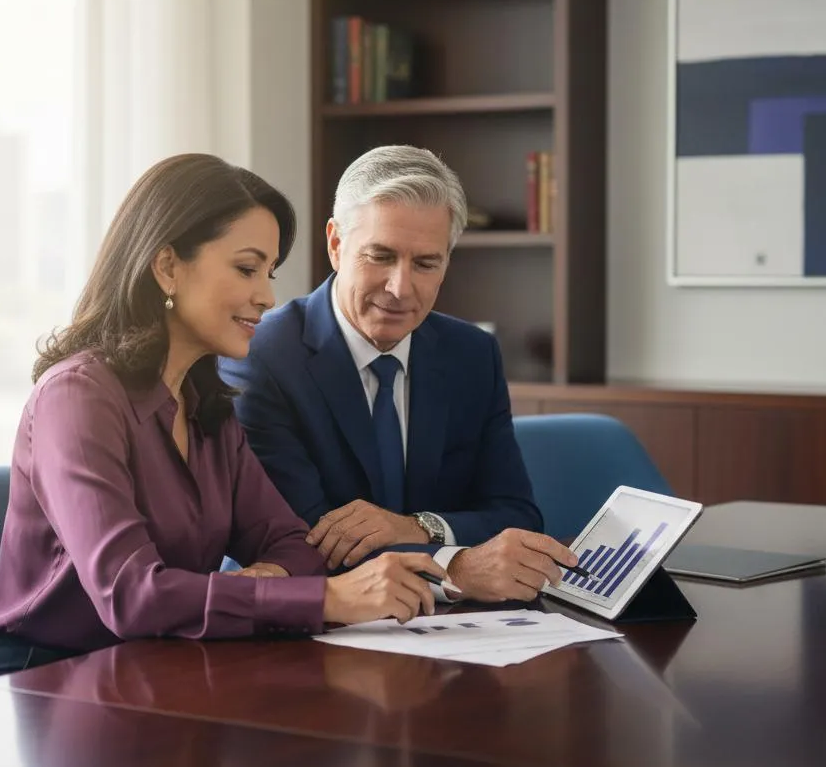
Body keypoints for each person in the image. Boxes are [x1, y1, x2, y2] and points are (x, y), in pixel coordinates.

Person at [0, 154, 447, 680]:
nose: (266, 297)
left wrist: (267, 584)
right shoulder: (77, 397)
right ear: (168, 266)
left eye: (269, 273)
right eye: (246, 268)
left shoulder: (207, 405)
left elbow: (294, 545)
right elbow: (131, 595)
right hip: (45, 677)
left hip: (159, 663)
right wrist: (324, 597)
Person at [219, 145, 577, 602]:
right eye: (381, 256)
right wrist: (458, 568)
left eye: (426, 263)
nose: (400, 288)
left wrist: (414, 527)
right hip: (301, 623)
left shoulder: (472, 354)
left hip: (449, 636)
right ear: (335, 244)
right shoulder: (260, 356)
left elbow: (516, 516)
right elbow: (302, 542)